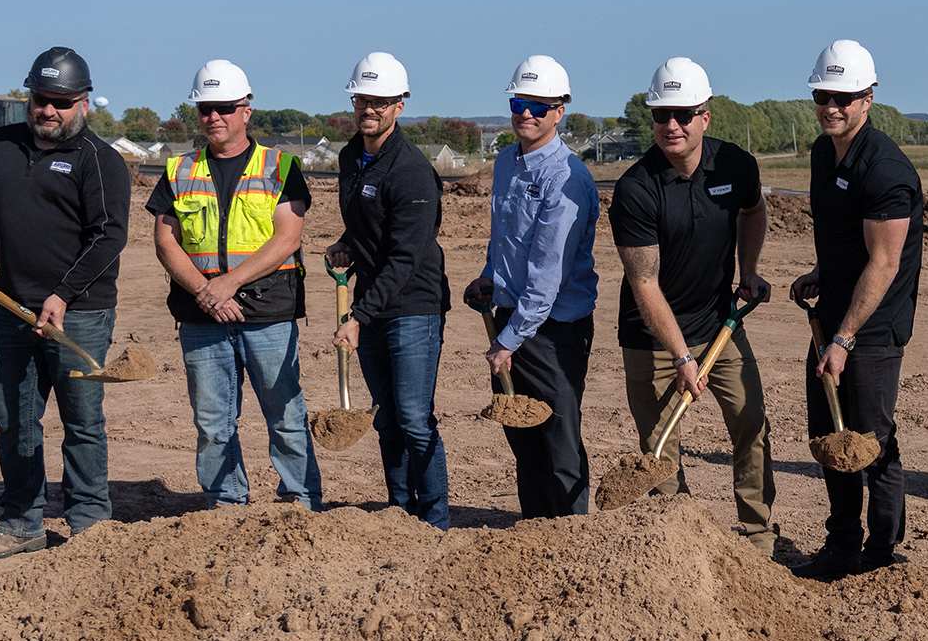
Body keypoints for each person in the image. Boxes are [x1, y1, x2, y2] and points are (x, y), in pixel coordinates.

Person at [0, 46, 132, 560]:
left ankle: (90, 523)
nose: (48, 110)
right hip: (11, 305)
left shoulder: (101, 162)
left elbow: (109, 237)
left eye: (61, 102)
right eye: (40, 99)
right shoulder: (1, 145)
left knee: (81, 419)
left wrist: (62, 295)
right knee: (14, 419)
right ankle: (23, 522)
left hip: (81, 312)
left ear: (84, 103)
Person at [608, 58, 777, 548]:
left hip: (720, 324)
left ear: (706, 115)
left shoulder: (735, 166)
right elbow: (644, 284)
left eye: (684, 114)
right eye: (662, 115)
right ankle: (677, 548)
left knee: (751, 422)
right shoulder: (636, 189)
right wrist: (682, 356)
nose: (672, 125)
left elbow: (753, 209)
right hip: (654, 339)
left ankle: (760, 535)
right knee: (661, 448)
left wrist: (748, 271)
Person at [148, 59, 321, 512]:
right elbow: (166, 241)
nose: (213, 117)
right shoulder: (179, 170)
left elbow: (288, 237)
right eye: (205, 108)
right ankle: (225, 505)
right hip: (201, 315)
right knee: (212, 422)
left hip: (268, 313)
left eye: (224, 107)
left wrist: (226, 284)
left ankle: (300, 503)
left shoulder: (281, 166)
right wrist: (206, 293)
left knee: (285, 416)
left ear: (246, 109)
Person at [789, 39, 924, 581]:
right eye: (824, 96)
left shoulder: (886, 168)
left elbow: (885, 263)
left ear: (868, 98)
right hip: (835, 315)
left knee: (871, 440)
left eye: (845, 97)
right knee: (828, 433)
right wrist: (822, 272)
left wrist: (844, 339)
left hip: (872, 327)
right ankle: (842, 543)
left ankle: (881, 553)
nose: (833, 107)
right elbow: (844, 236)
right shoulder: (825, 152)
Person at [465, 55, 600, 519]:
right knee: (522, 437)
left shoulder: (567, 178)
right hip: (513, 318)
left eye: (538, 106)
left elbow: (547, 276)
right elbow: (504, 236)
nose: (526, 113)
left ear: (559, 111)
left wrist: (507, 341)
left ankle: (573, 534)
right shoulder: (506, 162)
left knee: (559, 440)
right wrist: (489, 276)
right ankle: (536, 529)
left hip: (553, 331)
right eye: (519, 102)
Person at [325, 52, 453, 527]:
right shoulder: (349, 158)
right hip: (372, 305)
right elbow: (369, 230)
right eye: (362, 99)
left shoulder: (412, 171)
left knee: (416, 420)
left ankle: (436, 520)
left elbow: (407, 255)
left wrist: (358, 316)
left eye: (380, 101)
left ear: (400, 106)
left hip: (413, 307)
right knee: (386, 420)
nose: (369, 109)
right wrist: (347, 246)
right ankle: (400, 515)